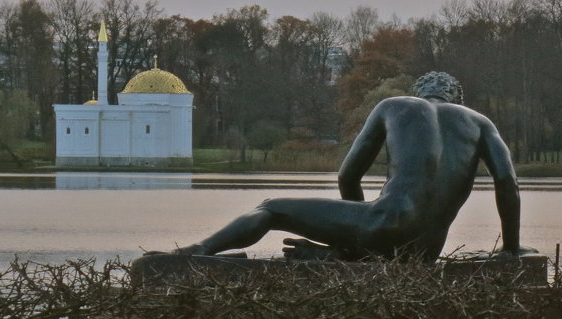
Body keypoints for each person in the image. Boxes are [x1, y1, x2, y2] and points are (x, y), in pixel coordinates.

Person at [147, 72, 535, 262]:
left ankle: (198, 252)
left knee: (270, 208)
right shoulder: (480, 122)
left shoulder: (395, 105)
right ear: (457, 97)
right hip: (425, 250)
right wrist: (512, 249)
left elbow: (348, 175)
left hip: (384, 226)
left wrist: (357, 227)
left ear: (422, 93)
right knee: (371, 236)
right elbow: (507, 184)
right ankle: (339, 255)